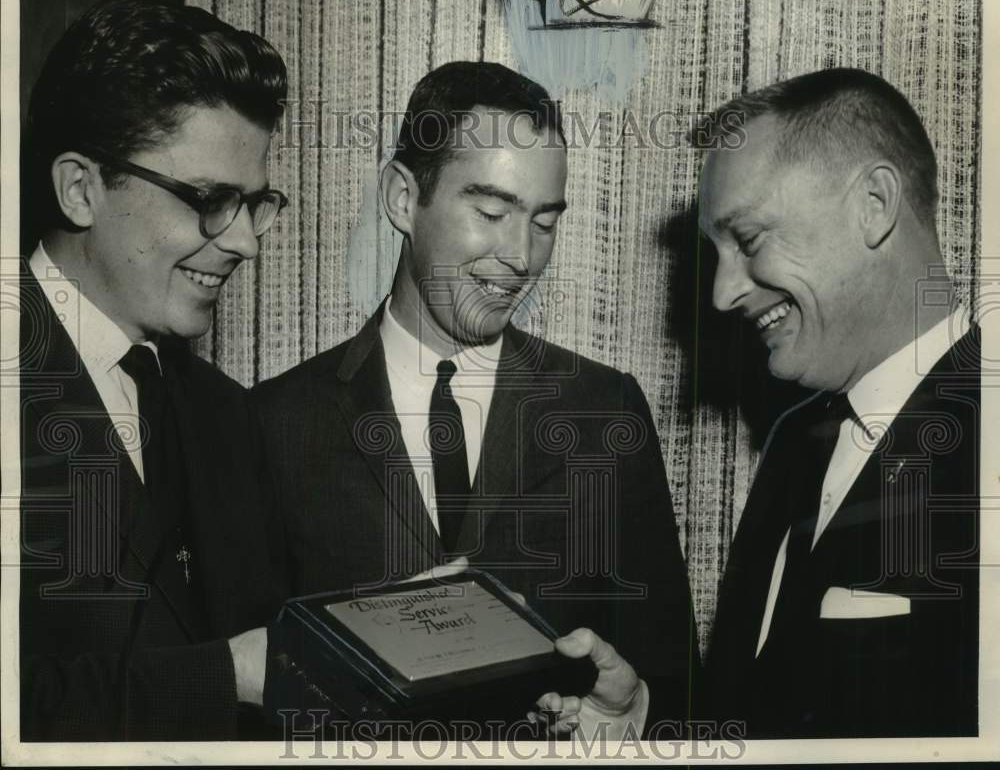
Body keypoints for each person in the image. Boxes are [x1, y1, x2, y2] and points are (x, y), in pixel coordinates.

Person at [251, 61, 698, 739]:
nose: (520, 255)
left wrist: (631, 715)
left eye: (544, 221)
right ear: (404, 199)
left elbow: (673, 683)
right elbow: (248, 695)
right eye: (490, 211)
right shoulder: (273, 422)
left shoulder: (605, 412)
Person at [19, 0, 290, 740]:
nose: (245, 244)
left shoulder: (226, 413)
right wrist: (222, 678)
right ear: (81, 189)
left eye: (256, 205)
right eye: (209, 200)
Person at [696, 68, 979, 737]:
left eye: (750, 240)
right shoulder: (797, 438)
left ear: (875, 204)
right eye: (716, 252)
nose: (721, 293)